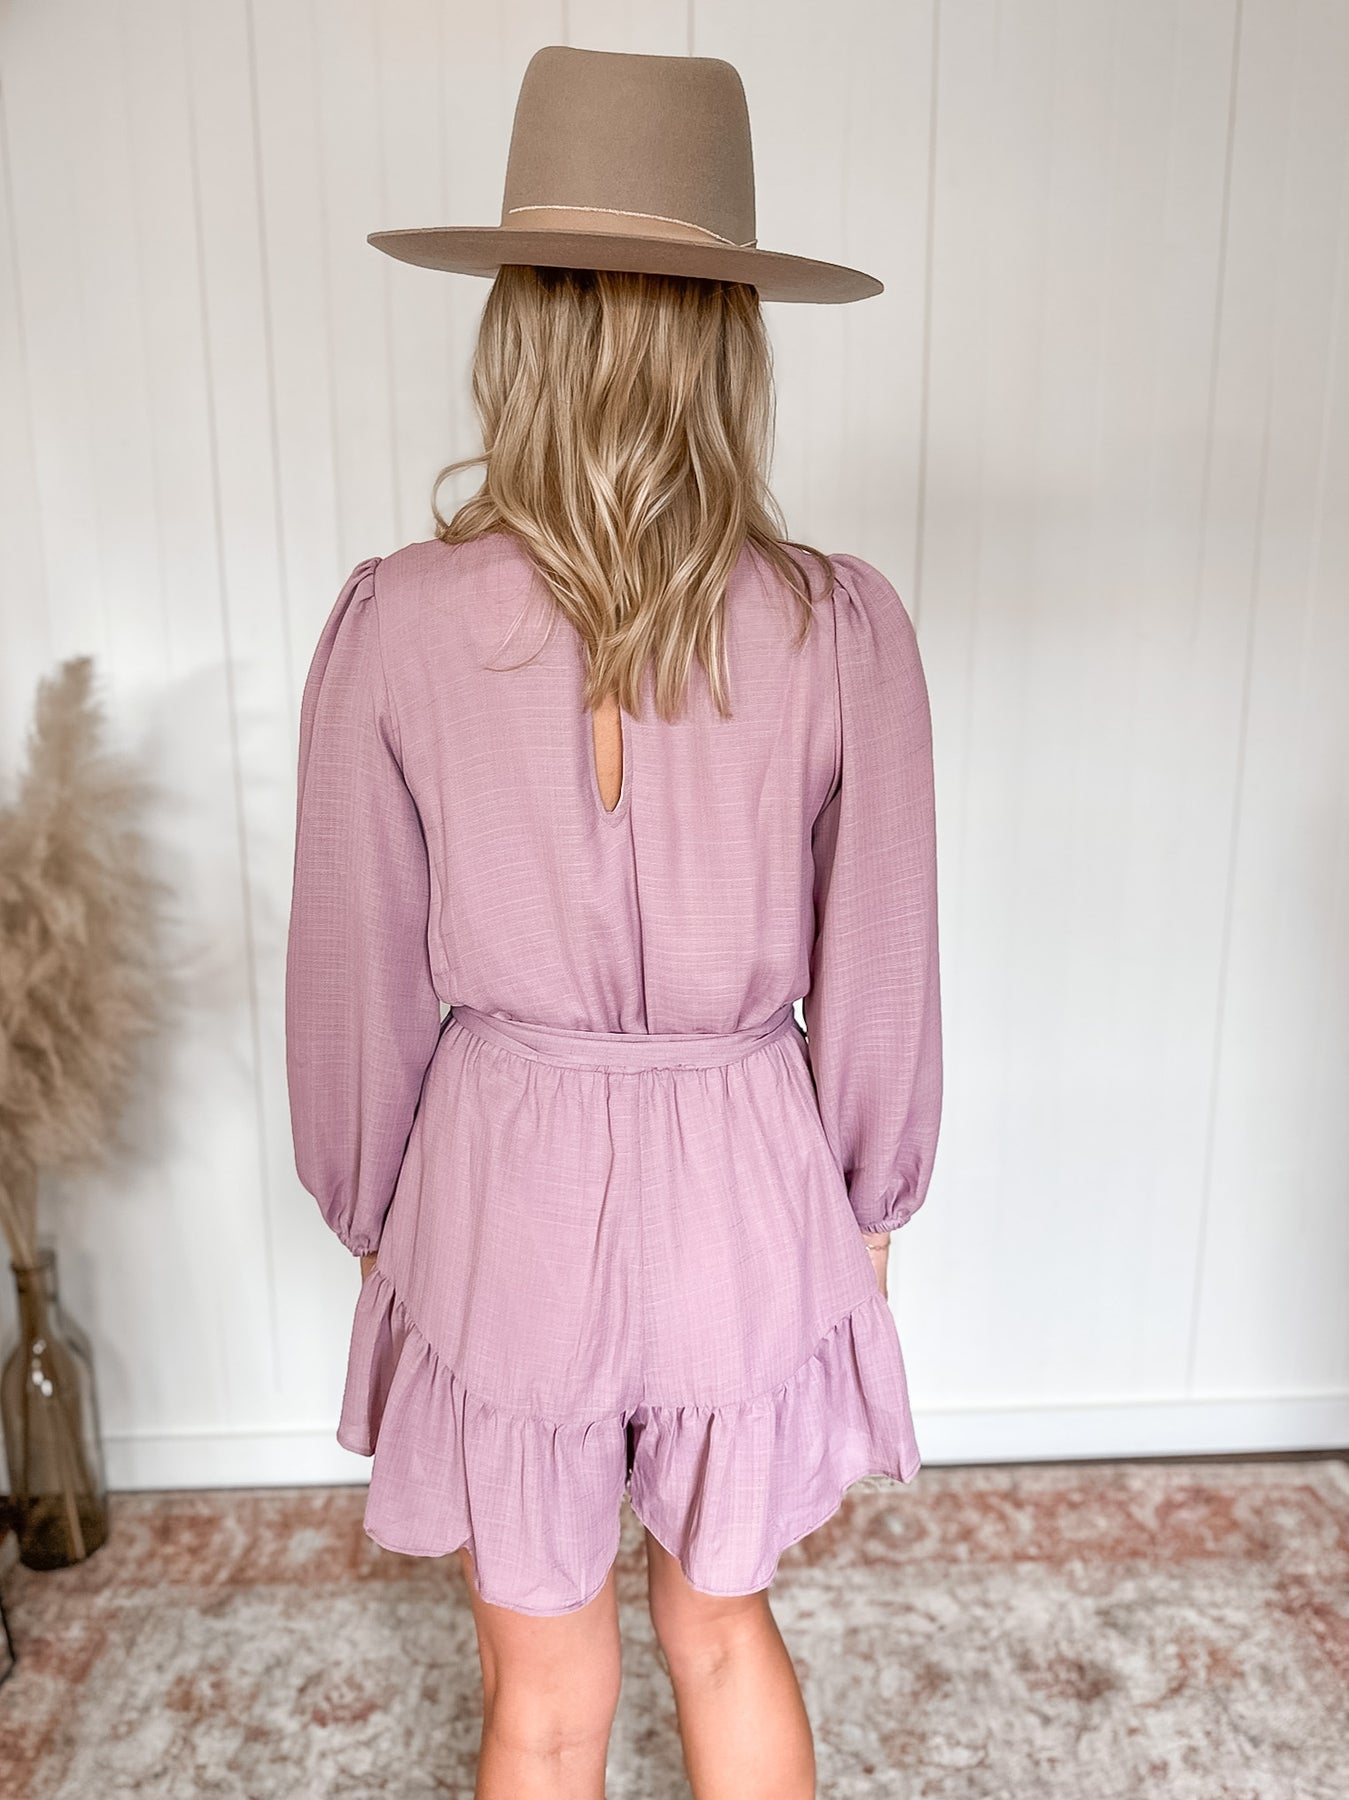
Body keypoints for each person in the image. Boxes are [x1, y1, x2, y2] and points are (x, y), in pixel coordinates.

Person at [284, 43, 942, 1800]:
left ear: (515, 328)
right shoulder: (837, 628)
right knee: (721, 1634)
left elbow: (353, 968)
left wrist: (374, 1204)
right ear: (733, 344)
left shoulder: (396, 625)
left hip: (505, 1172)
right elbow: (882, 952)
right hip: (742, 1163)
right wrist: (866, 1198)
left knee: (543, 1697)